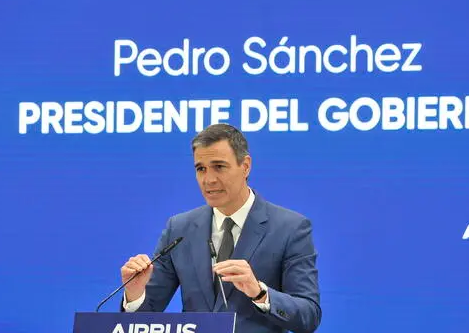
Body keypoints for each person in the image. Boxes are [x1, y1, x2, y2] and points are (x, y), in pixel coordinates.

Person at [120, 124, 321, 333]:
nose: (209, 180)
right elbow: (146, 317)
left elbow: (309, 316)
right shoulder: (179, 228)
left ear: (245, 166)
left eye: (219, 166)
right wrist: (135, 294)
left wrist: (260, 293)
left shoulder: (290, 228)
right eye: (201, 169)